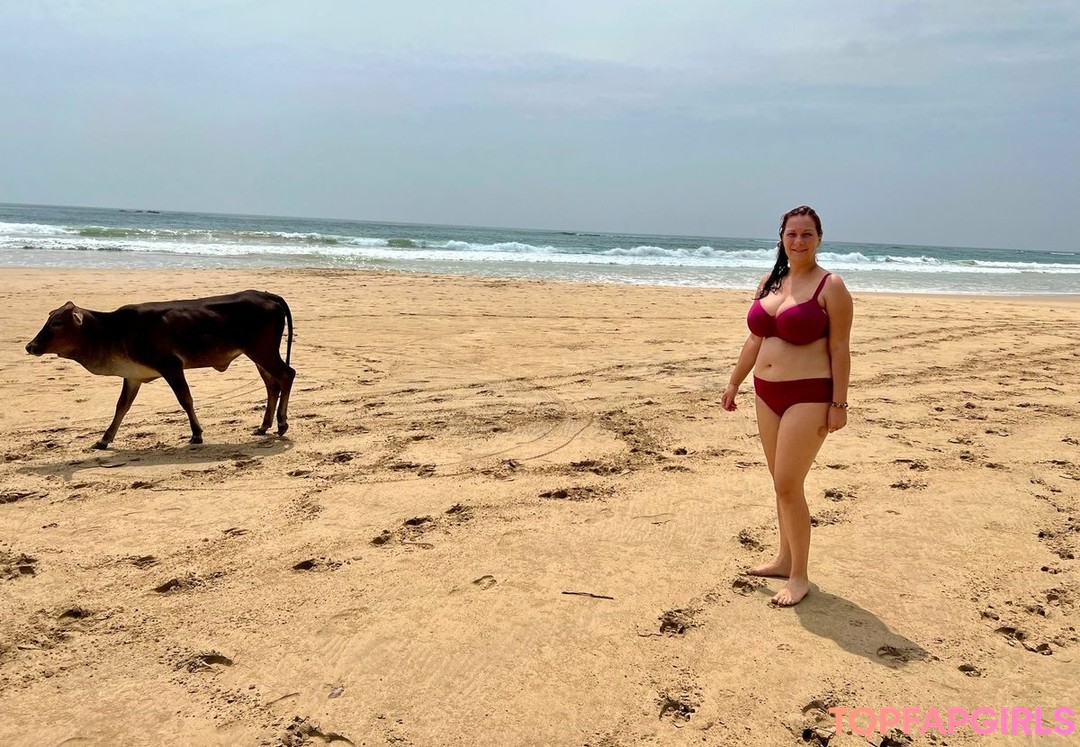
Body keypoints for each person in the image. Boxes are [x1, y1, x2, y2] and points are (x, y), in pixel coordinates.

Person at [720, 205, 852, 606]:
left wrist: (839, 403)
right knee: (780, 481)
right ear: (782, 237)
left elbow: (840, 349)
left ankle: (800, 576)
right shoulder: (770, 281)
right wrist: (734, 381)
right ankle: (783, 558)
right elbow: (755, 339)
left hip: (808, 395)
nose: (799, 241)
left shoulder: (831, 286)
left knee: (788, 484)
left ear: (819, 239)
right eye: (792, 234)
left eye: (807, 234)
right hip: (766, 393)